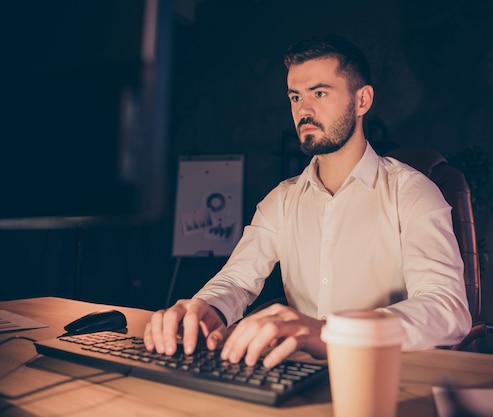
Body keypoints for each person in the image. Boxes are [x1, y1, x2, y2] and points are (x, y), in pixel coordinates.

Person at [144, 35, 472, 368]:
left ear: (362, 100)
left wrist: (330, 332)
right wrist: (207, 308)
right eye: (295, 96)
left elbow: (447, 308)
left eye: (319, 93)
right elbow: (237, 281)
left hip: (384, 375)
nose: (304, 110)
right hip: (298, 375)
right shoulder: (281, 201)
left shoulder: (413, 192)